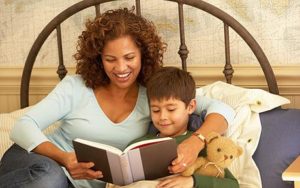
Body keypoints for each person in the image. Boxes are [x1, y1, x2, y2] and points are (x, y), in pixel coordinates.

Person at [0, 7, 235, 188]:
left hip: (75, 184)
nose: (120, 68)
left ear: (144, 54)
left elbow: (222, 109)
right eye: (110, 59)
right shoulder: (76, 86)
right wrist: (64, 159)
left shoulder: (155, 94)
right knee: (49, 179)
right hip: (37, 162)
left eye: (129, 57)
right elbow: (22, 127)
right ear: (98, 59)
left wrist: (195, 143)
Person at [106, 67, 238, 188]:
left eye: (171, 109)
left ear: (191, 107)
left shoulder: (200, 147)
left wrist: (192, 181)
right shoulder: (137, 145)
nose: (162, 116)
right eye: (156, 110)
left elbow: (232, 185)